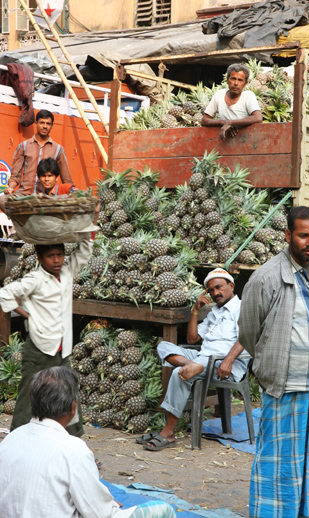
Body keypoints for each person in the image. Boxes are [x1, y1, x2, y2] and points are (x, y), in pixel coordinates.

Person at [238, 206, 309, 518]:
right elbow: (249, 333)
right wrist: (272, 363)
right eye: (303, 235)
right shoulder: (266, 277)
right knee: (279, 467)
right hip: (285, 388)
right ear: (288, 236)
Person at [0, 366, 175, 518]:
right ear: (72, 407)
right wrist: (106, 504)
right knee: (163, 510)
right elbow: (100, 514)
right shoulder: (73, 450)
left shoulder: (11, 439)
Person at [137, 268, 250, 451]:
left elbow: (246, 337)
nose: (215, 293)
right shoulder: (215, 312)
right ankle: (191, 365)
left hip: (224, 363)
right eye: (211, 290)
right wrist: (195, 310)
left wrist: (228, 361)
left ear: (231, 285)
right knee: (163, 346)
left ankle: (168, 432)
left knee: (178, 374)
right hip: (202, 358)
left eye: (219, 287)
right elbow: (192, 340)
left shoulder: (243, 308)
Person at [0, 231, 96, 436]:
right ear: (40, 258)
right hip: (38, 349)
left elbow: (84, 251)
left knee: (70, 394)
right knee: (29, 396)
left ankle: (75, 441)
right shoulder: (35, 279)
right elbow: (5, 294)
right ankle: (16, 438)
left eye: (60, 255)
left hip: (63, 348)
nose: (56, 260)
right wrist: (27, 315)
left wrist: (92, 222)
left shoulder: (67, 273)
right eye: (51, 256)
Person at [0, 109, 74, 210]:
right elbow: (14, 177)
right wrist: (11, 188)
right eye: (42, 123)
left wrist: (76, 194)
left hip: (46, 198)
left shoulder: (58, 149)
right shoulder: (23, 146)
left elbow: (67, 180)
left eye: (48, 124)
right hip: (24, 195)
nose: (45, 126)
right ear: (36, 123)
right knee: (2, 200)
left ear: (52, 126)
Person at [201, 63, 262, 141]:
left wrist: (231, 123)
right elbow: (204, 120)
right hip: (221, 142)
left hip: (245, 141)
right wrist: (224, 123)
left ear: (245, 84)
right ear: (227, 80)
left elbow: (258, 118)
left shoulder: (248, 96)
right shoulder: (219, 94)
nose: (236, 83)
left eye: (240, 80)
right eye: (233, 79)